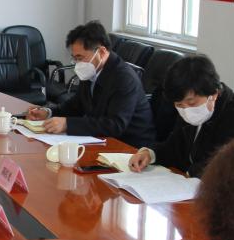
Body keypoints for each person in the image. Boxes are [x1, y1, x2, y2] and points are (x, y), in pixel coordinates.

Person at [26, 21, 155, 148]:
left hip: (131, 147)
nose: (77, 64)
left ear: (102, 52)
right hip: (103, 140)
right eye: (74, 58)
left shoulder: (124, 78)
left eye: (80, 58)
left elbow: (115, 125)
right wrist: (48, 112)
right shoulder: (92, 70)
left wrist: (67, 124)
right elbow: (76, 106)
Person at [128, 54, 234, 177]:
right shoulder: (187, 109)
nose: (186, 110)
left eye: (192, 103)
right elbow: (175, 147)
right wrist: (150, 154)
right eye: (179, 105)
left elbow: (224, 168)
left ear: (213, 94)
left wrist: (188, 175)